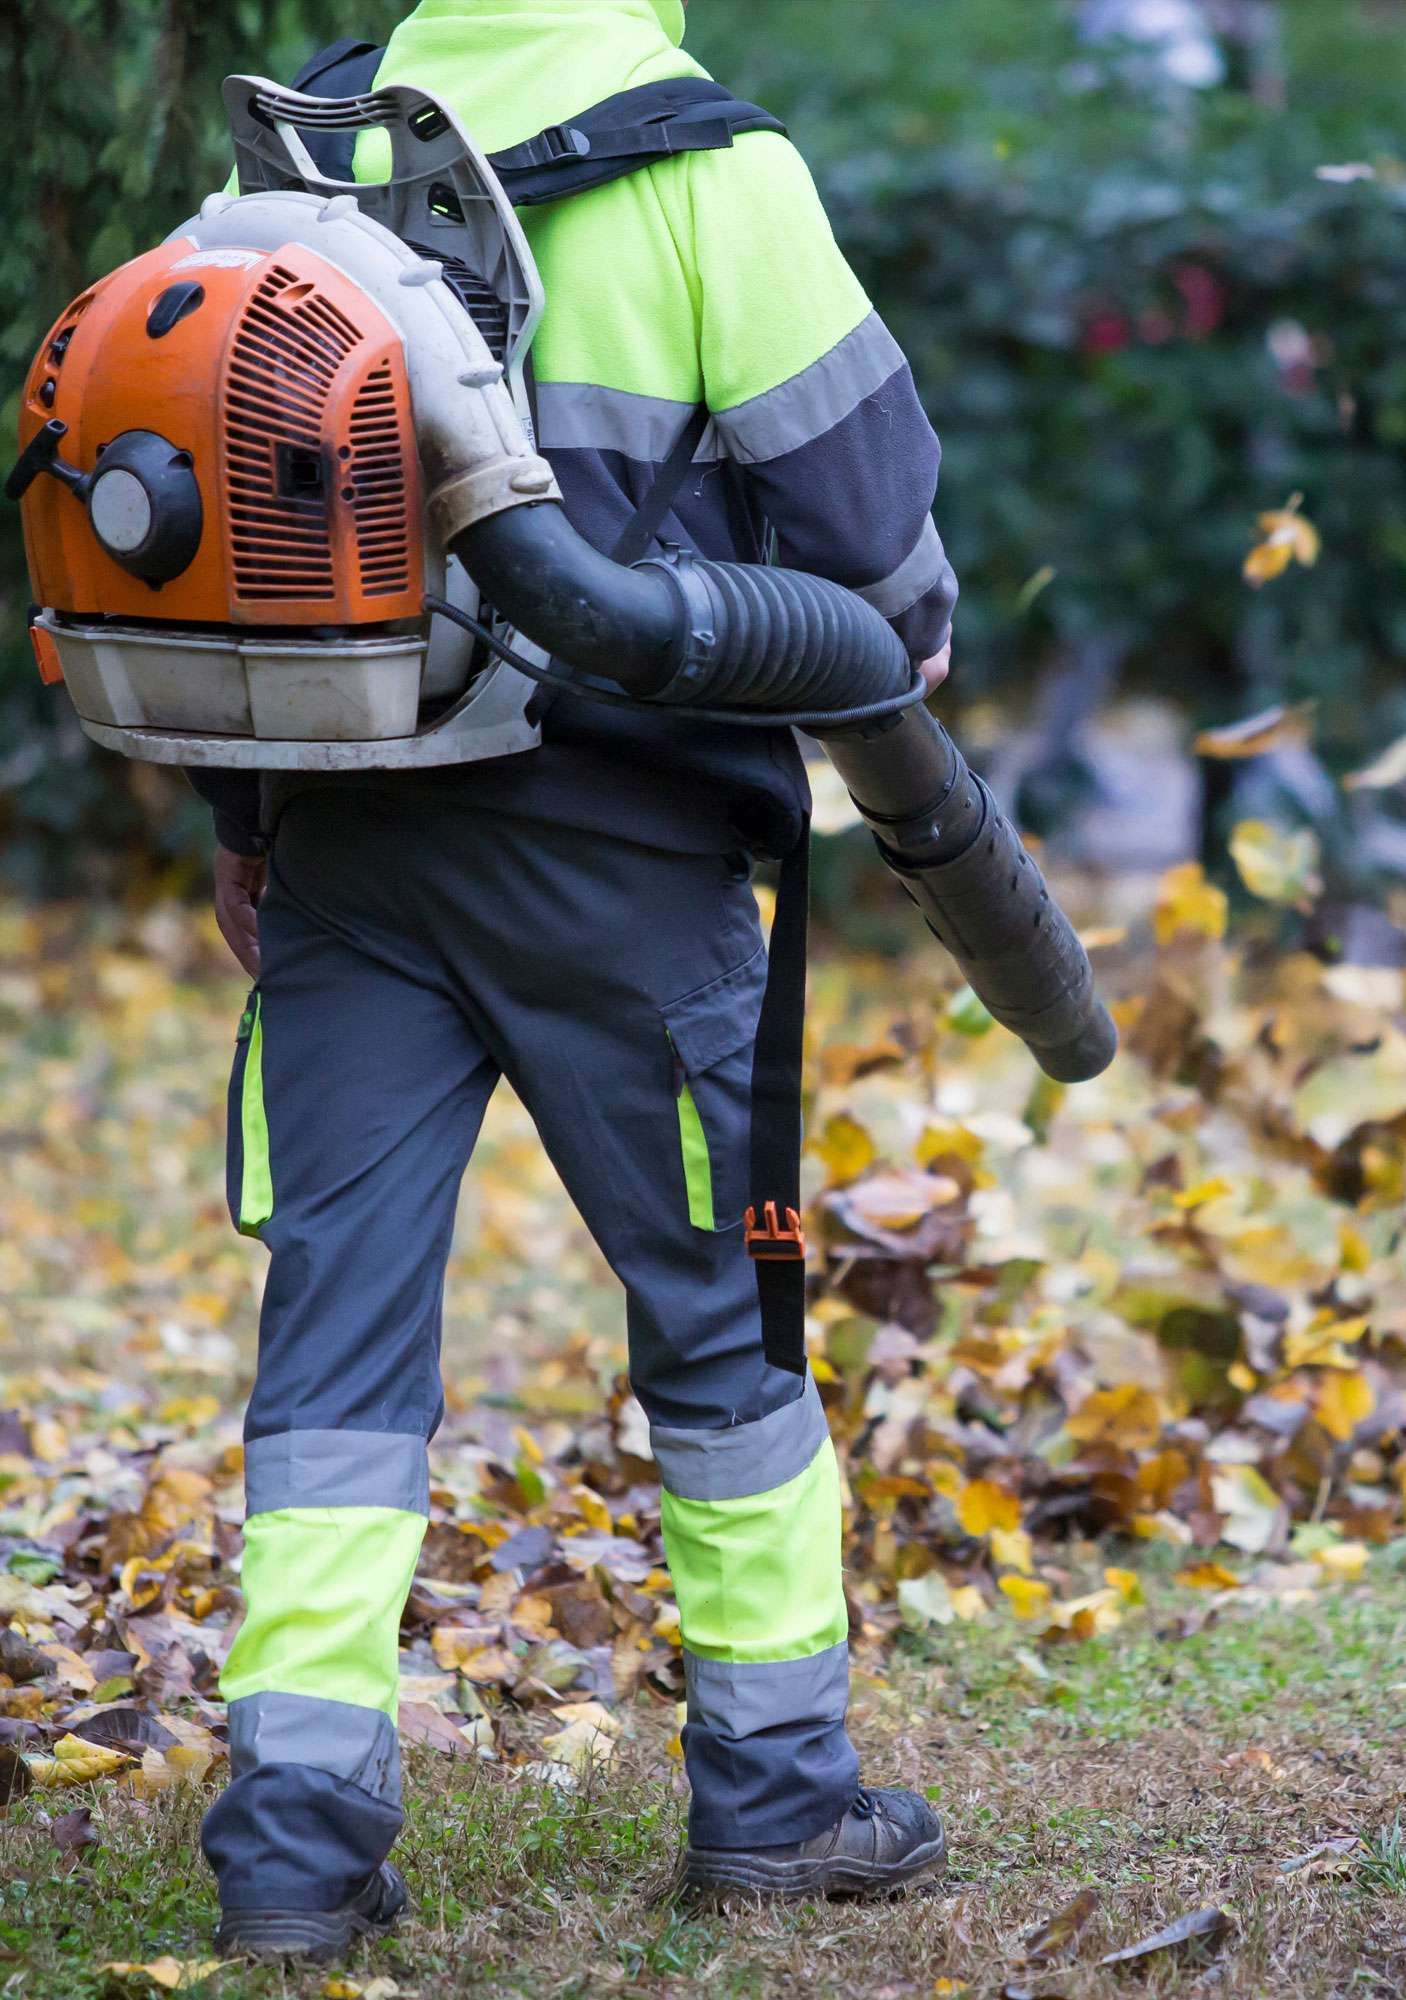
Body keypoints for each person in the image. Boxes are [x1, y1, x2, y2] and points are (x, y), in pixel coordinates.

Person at [196, 0, 957, 1959]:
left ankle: (290, 1848)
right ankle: (780, 1806)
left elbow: (219, 503)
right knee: (726, 1315)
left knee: (337, 1356)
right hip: (633, 853)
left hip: (350, 843)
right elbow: (873, 539)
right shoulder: (717, 173)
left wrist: (241, 819)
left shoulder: (301, 156)